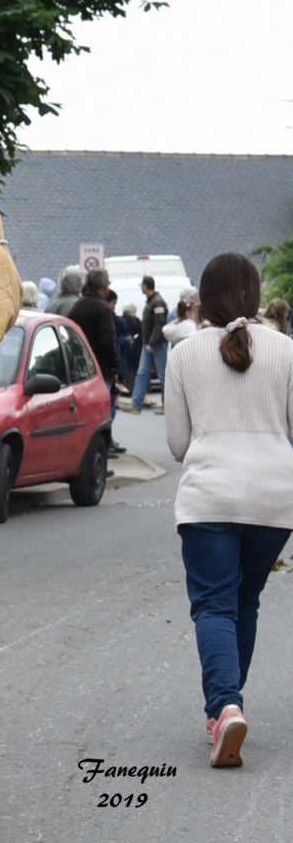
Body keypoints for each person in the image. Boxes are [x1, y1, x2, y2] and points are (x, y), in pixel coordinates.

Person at [165, 252, 293, 768]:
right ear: (256, 295)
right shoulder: (286, 351)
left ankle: (224, 706)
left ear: (204, 295)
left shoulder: (184, 353)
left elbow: (176, 443)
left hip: (210, 497)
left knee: (214, 605)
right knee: (245, 601)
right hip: (274, 498)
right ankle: (227, 705)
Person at [68, 268, 125, 454]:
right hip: (101, 370)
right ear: (103, 288)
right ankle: (101, 452)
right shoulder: (103, 309)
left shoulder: (77, 306)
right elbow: (108, 342)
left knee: (86, 416)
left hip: (81, 369)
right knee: (103, 414)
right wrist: (115, 367)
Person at [125, 275, 168, 414]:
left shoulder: (158, 302)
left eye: (141, 285)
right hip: (148, 344)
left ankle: (168, 407)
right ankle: (136, 404)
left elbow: (160, 324)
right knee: (142, 373)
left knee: (163, 376)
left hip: (157, 344)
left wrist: (152, 342)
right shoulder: (152, 301)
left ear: (146, 286)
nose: (140, 288)